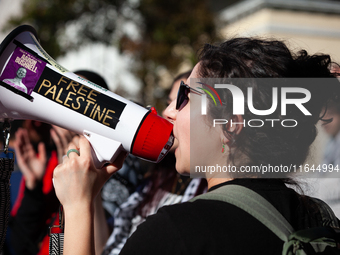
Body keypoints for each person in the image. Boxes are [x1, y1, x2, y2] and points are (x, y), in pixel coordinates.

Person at [53, 38, 340, 255]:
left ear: (230, 125)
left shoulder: (175, 233)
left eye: (184, 97)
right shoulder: (317, 217)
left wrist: (78, 205)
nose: (169, 112)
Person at [101, 70, 207, 255]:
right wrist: (87, 193)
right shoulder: (154, 178)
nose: (168, 113)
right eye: (169, 103)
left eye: (184, 101)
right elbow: (105, 245)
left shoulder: (208, 190)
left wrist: (78, 201)